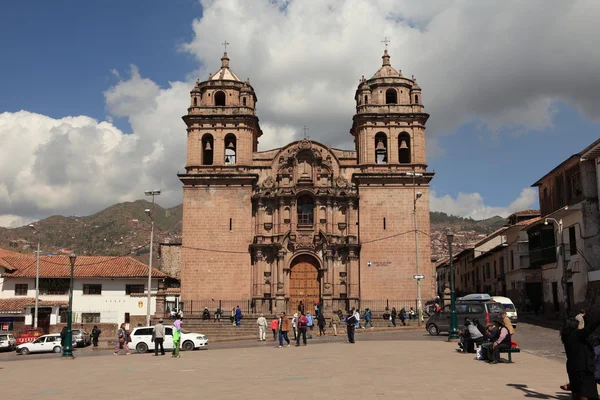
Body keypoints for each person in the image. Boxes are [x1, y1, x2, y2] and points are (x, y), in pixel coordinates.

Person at [560, 316, 600, 399]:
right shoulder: (575, 334)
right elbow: (589, 329)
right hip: (583, 368)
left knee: (576, 392)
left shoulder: (566, 336)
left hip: (572, 368)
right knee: (584, 393)